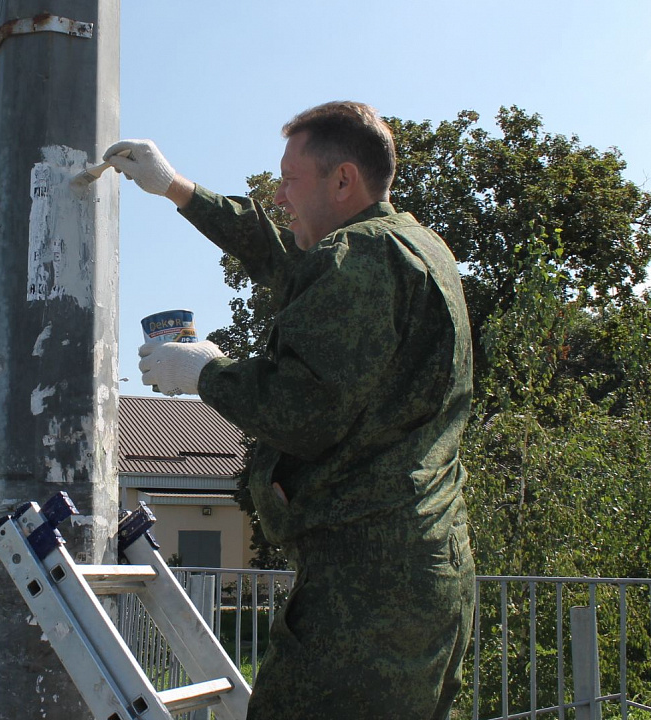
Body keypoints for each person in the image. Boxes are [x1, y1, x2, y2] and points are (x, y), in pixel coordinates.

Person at [105, 101, 476, 720]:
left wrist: (204, 373)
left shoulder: (360, 260)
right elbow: (286, 264)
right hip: (416, 568)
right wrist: (176, 188)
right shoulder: (409, 247)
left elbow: (303, 412)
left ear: (342, 180)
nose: (279, 196)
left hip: (365, 590)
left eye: (290, 179)